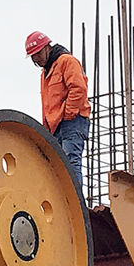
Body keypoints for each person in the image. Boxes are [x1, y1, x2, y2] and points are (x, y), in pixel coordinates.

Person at [25, 30, 91, 190]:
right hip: (56, 127)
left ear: (47, 47)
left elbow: (78, 89)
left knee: (70, 161)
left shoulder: (66, 61)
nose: (36, 59)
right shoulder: (45, 73)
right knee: (57, 168)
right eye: (33, 56)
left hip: (72, 122)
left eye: (37, 53)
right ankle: (65, 203)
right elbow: (47, 104)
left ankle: (75, 205)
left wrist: (68, 114)